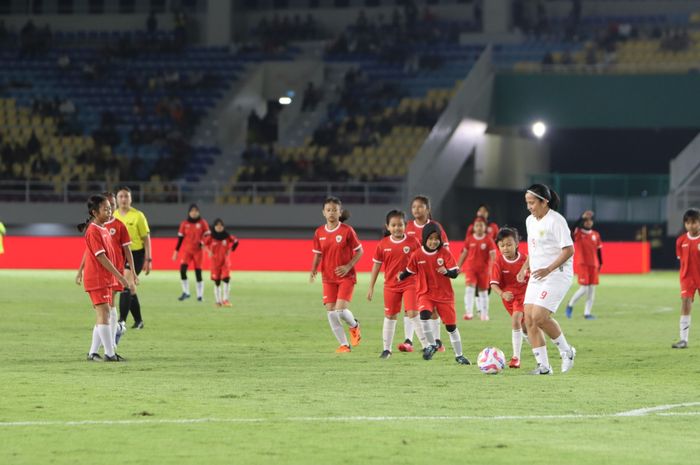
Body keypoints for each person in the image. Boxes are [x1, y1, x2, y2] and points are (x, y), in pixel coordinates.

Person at [518, 184, 576, 375]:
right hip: (538, 275)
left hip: (557, 274)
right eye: (527, 203)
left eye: (532, 203)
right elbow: (533, 249)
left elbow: (569, 250)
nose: (529, 207)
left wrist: (548, 269)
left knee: (540, 317)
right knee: (528, 320)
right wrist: (524, 268)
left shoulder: (556, 221)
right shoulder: (530, 221)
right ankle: (543, 366)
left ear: (545, 202)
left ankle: (566, 351)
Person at [398, 222, 470, 365]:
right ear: (425, 239)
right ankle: (431, 345)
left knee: (451, 327)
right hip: (426, 293)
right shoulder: (417, 254)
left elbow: (455, 273)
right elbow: (410, 270)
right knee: (424, 315)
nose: (433, 241)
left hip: (445, 296)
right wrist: (401, 276)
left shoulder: (444, 253)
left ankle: (459, 355)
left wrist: (447, 272)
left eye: (436, 238)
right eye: (430, 238)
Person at [77, 192, 137, 352]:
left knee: (106, 312)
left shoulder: (107, 227)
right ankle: (111, 350)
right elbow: (99, 256)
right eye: (106, 208)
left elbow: (124, 250)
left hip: (107, 276)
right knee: (106, 312)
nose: (110, 211)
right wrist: (120, 276)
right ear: (95, 212)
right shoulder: (95, 230)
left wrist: (130, 271)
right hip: (100, 277)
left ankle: (95, 351)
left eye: (111, 207)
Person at [367, 210, 424, 359]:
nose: (397, 228)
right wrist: (371, 286)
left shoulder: (413, 242)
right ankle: (387, 349)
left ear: (405, 225)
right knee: (390, 316)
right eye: (393, 225)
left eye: (400, 225)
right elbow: (376, 266)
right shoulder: (382, 244)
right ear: (387, 226)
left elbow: (421, 262)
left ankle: (426, 346)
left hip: (410, 283)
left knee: (412, 313)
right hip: (391, 286)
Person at [310, 196, 363, 353]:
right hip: (328, 277)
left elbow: (360, 251)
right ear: (323, 213)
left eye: (335, 210)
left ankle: (354, 326)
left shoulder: (347, 231)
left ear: (340, 213)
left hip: (346, 276)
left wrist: (348, 266)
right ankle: (344, 345)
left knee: (340, 311)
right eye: (328, 210)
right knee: (331, 312)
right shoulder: (319, 232)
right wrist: (313, 269)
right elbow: (318, 253)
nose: (331, 212)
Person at [406, 194, 448, 352]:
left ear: (428, 209)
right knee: (411, 307)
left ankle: (437, 341)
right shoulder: (408, 226)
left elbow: (445, 249)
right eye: (414, 206)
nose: (416, 209)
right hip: (413, 274)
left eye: (420, 206)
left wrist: (444, 267)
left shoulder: (435, 226)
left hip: (432, 274)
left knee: (434, 309)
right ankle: (408, 340)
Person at [113, 186, 152, 329]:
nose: (123, 199)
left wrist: (149, 259)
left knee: (126, 284)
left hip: (136, 254)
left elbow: (146, 238)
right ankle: (139, 321)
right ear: (116, 199)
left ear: (131, 199)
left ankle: (121, 320)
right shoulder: (113, 216)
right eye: (121, 196)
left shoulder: (138, 216)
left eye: (126, 196)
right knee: (132, 288)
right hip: (119, 255)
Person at [490, 227, 529, 368]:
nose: (505, 248)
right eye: (502, 245)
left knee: (516, 320)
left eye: (509, 244)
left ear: (517, 243)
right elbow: (493, 284)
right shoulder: (498, 263)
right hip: (508, 299)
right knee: (524, 327)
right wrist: (502, 294)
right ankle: (536, 345)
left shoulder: (525, 260)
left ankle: (515, 358)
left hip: (523, 296)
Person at [457, 217, 497, 321]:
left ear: (485, 227)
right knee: (469, 290)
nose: (479, 227)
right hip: (471, 269)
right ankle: (469, 313)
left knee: (483, 292)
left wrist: (494, 268)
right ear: (474, 227)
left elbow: (493, 255)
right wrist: (458, 266)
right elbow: (464, 253)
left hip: (484, 270)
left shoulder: (488, 240)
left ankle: (484, 315)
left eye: (481, 225)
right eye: (477, 225)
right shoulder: (469, 239)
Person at [566, 210, 603, 320]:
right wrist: (581, 217)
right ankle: (570, 305)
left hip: (594, 265)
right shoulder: (578, 232)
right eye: (586, 221)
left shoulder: (596, 235)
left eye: (590, 220)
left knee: (591, 290)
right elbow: (571, 228)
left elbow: (599, 250)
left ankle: (587, 313)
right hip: (583, 264)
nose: (588, 222)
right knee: (584, 289)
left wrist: (600, 263)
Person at [672, 208, 700, 349]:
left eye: (694, 222)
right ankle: (683, 340)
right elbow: (681, 260)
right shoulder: (680, 241)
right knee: (685, 305)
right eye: (688, 223)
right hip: (687, 278)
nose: (691, 225)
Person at [173, 204, 211, 302]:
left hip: (198, 252)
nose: (194, 213)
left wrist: (203, 242)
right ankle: (186, 292)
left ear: (198, 212)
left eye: (196, 211)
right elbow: (180, 239)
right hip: (187, 251)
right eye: (192, 211)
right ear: (189, 213)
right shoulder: (184, 224)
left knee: (198, 272)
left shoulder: (203, 223)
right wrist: (176, 251)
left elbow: (208, 236)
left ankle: (200, 296)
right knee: (182, 270)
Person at [204, 218, 239, 307]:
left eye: (221, 226)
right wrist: (209, 252)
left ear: (223, 227)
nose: (219, 227)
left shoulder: (227, 236)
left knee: (226, 279)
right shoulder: (211, 237)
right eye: (217, 226)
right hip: (214, 263)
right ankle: (218, 301)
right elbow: (202, 244)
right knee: (217, 282)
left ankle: (225, 300)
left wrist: (230, 250)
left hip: (225, 262)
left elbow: (236, 241)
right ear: (214, 227)